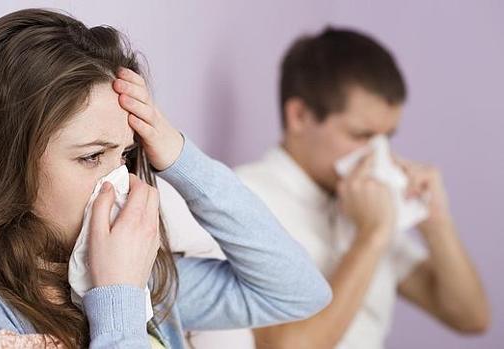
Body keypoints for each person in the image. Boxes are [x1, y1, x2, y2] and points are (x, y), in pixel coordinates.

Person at [0, 9, 332, 349]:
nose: (117, 182)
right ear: (2, 163)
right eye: (92, 157)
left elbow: (298, 292)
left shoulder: (142, 281)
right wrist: (115, 299)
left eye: (126, 155)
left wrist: (179, 156)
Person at [176, 27, 490, 349]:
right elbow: (285, 346)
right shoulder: (246, 200)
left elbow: (471, 318)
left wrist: (436, 222)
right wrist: (371, 237)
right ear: (299, 116)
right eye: (361, 136)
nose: (377, 154)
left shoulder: (361, 202)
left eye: (387, 137)